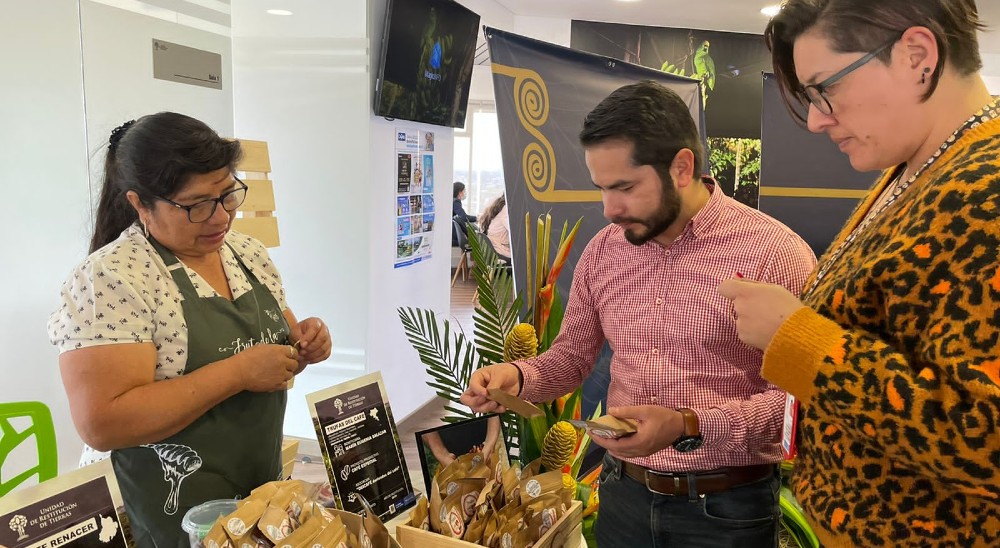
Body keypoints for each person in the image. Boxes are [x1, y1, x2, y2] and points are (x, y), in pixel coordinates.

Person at [462, 81, 817, 547]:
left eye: (625, 187)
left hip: (727, 510)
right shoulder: (604, 252)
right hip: (621, 498)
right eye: (602, 189)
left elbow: (801, 404)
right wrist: (517, 376)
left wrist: (688, 425)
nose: (609, 209)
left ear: (682, 167)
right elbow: (570, 359)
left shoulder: (776, 255)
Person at [717, 1, 1000, 546]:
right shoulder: (919, 169)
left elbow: (983, 437)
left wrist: (793, 337)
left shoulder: (985, 186)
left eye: (826, 88)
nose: (819, 119)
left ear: (917, 56)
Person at [47, 112, 332, 547]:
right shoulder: (112, 279)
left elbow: (281, 350)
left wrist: (307, 342)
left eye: (227, 195)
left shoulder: (246, 253)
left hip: (258, 495)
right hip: (168, 514)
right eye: (196, 205)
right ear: (140, 203)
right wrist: (239, 373)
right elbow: (103, 422)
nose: (220, 218)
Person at [479, 194, 511, 260]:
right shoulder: (505, 209)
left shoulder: (500, 206)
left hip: (493, 246)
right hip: (498, 249)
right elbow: (513, 231)